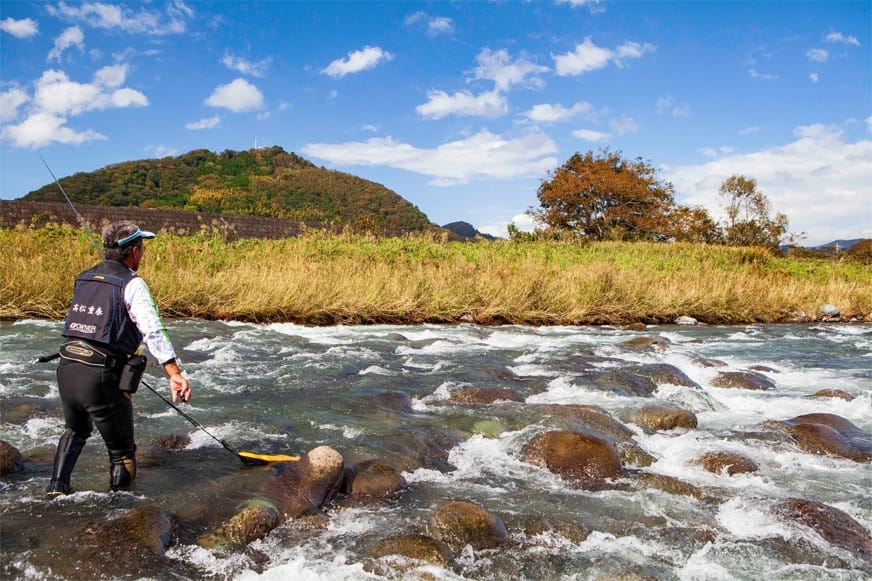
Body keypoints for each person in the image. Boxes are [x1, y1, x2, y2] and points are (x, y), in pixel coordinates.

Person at [46, 220, 192, 495]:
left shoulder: (84, 277)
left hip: (67, 368)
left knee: (74, 431)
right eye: (142, 247)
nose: (143, 253)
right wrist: (174, 373)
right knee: (122, 451)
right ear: (133, 251)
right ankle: (120, 516)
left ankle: (55, 490)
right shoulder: (133, 284)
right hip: (101, 377)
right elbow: (152, 329)